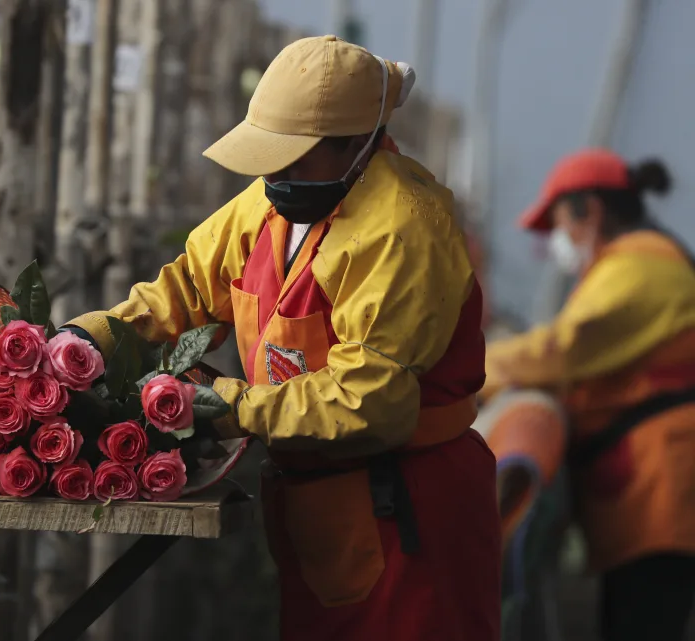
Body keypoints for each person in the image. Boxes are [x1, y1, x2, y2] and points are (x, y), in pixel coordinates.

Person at [65, 36, 500, 641]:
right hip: (319, 503)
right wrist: (85, 340)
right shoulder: (276, 203)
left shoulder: (403, 229)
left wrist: (229, 407)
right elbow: (188, 287)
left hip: (406, 509)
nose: (277, 171)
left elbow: (368, 397)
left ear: (356, 146)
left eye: (295, 156)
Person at [484, 149, 695, 641]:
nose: (556, 241)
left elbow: (561, 350)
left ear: (589, 211)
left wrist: (464, 369)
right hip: (646, 499)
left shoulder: (641, 267)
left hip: (663, 494)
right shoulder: (630, 265)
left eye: (557, 224)